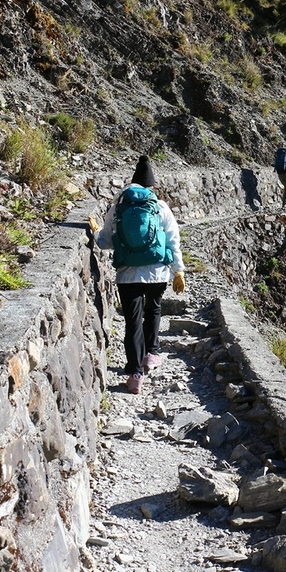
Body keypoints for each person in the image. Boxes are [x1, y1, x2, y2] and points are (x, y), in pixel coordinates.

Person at [88, 155, 185, 394]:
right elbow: (173, 241)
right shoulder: (160, 207)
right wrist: (178, 270)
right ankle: (151, 355)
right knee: (153, 309)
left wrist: (96, 230)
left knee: (133, 321)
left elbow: (106, 242)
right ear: (152, 186)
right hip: (158, 272)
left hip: (128, 273)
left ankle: (135, 373)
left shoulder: (119, 205)